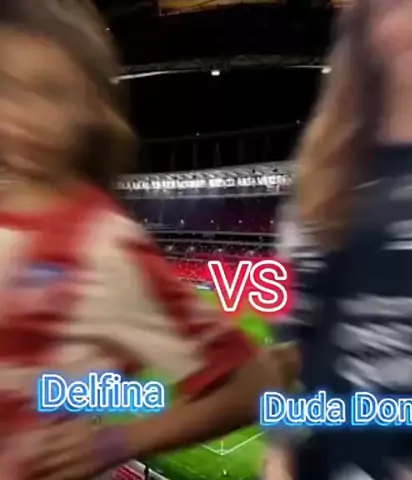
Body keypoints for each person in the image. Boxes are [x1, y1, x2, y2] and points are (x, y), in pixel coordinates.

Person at [0, 1, 280, 478]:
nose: (20, 114)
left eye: (50, 91)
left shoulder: (104, 246)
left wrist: (118, 441)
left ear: (89, 111)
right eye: (7, 85)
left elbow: (251, 385)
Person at [266, 0, 412, 479]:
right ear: (366, 22)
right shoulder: (326, 168)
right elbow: (292, 333)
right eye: (395, 5)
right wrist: (281, 449)